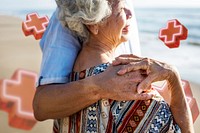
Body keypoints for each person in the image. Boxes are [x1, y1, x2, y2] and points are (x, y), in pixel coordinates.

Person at [33, 0, 194, 132]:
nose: (130, 13)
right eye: (122, 9)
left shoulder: (72, 81)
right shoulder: (128, 86)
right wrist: (172, 75)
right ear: (93, 24)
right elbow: (41, 106)